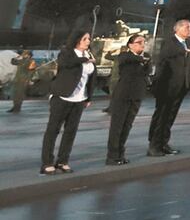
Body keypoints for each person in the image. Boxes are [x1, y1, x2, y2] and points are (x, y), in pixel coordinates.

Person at [40, 31, 95, 175]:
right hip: (62, 97)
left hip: (79, 99)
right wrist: (84, 60)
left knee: (71, 132)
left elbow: (90, 79)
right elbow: (66, 64)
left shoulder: (89, 56)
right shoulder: (67, 53)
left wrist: (88, 97)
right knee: (53, 130)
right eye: (84, 39)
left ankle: (63, 161)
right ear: (77, 40)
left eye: (89, 39)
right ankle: (47, 162)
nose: (88, 41)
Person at [148, 19, 190, 157]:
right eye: (187, 27)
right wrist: (183, 51)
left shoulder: (186, 44)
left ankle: (163, 143)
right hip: (166, 87)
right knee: (161, 116)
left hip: (180, 87)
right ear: (178, 29)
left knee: (170, 117)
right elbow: (165, 57)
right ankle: (154, 145)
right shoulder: (170, 43)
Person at [106, 34, 150, 164]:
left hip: (136, 95)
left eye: (143, 42)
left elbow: (146, 71)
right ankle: (112, 156)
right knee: (117, 126)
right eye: (138, 42)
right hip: (123, 95)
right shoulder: (125, 56)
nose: (142, 45)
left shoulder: (145, 57)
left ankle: (120, 153)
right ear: (130, 45)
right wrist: (141, 59)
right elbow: (126, 59)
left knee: (127, 125)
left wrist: (144, 60)